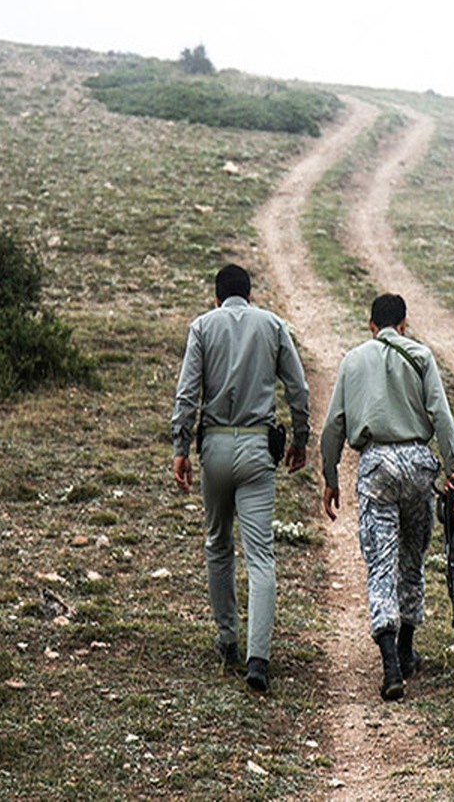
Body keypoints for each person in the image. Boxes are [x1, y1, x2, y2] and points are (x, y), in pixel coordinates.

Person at [171, 263, 310, 693]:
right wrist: (300, 437)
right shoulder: (272, 325)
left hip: (213, 446)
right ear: (249, 295)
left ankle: (227, 638)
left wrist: (180, 447)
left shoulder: (201, 327)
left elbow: (186, 393)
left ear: (216, 297)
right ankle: (258, 658)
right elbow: (298, 390)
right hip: (256, 449)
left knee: (218, 543)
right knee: (261, 555)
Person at [320, 293, 454, 701]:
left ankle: (389, 664)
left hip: (377, 466)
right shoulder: (421, 356)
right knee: (412, 557)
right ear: (404, 324)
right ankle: (407, 647)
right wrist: (451, 467)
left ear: (370, 325)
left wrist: (330, 476)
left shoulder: (353, 360)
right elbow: (441, 416)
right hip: (418, 464)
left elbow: (333, 426)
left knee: (380, 562)